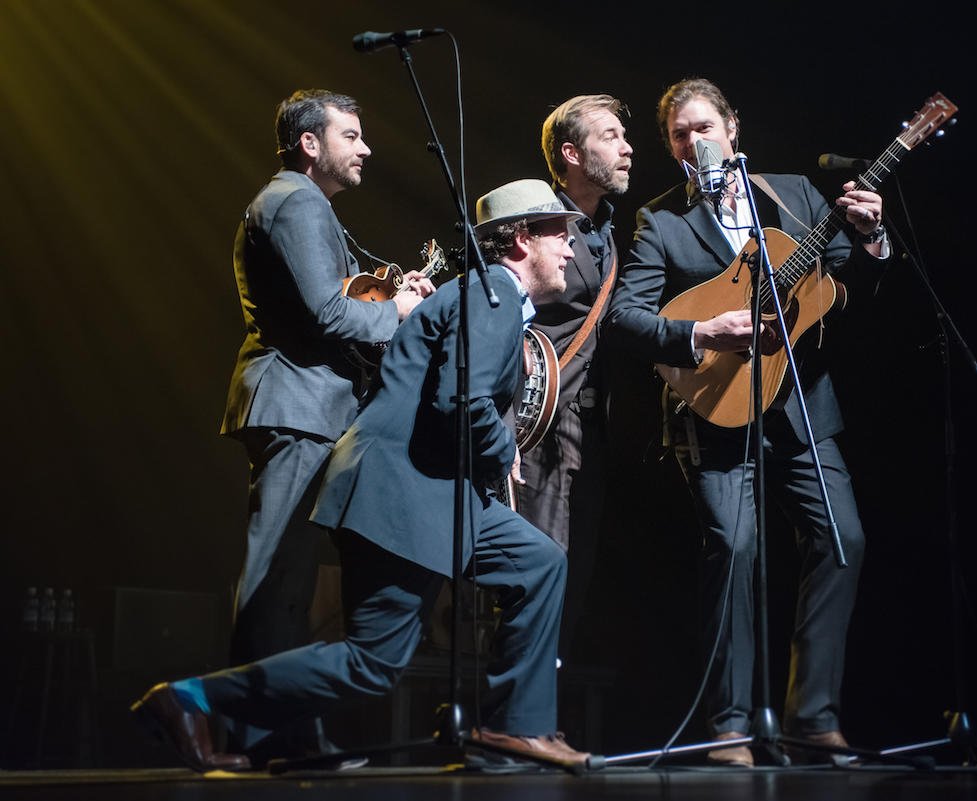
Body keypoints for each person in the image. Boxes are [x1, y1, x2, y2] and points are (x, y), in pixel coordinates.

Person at [133, 179, 590, 771]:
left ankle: (517, 728)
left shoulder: (484, 295)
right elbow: (463, 401)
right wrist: (504, 448)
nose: (572, 249)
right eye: (560, 234)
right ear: (522, 238)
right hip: (402, 492)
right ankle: (189, 699)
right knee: (373, 663)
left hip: (429, 491)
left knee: (538, 563)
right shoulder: (493, 292)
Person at [605, 78, 890, 767]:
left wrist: (871, 233)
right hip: (717, 409)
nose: (694, 141)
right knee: (734, 550)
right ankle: (729, 724)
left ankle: (811, 718)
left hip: (800, 406)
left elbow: (844, 280)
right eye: (680, 134)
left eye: (705, 126)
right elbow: (626, 316)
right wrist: (706, 328)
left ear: (733, 127)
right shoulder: (662, 220)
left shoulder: (790, 193)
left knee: (842, 538)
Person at [219, 89, 433, 761]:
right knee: (276, 576)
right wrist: (397, 312)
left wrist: (392, 296)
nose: (366, 147)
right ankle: (248, 729)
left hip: (310, 408)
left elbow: (337, 304)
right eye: (351, 135)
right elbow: (325, 314)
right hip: (295, 407)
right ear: (310, 143)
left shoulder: (306, 206)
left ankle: (285, 730)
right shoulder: (298, 202)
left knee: (293, 583)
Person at [515, 94, 632, 661]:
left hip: (588, 428)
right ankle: (516, 718)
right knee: (541, 571)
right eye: (610, 137)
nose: (627, 147)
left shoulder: (609, 229)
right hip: (538, 425)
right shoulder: (534, 222)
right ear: (572, 154)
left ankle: (538, 715)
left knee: (573, 576)